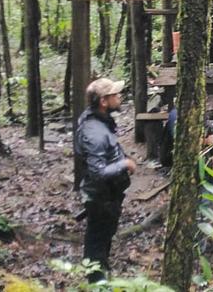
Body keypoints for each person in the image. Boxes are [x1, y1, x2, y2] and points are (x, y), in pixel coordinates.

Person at [75, 78, 137, 283]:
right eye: (115, 94)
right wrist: (124, 165)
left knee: (102, 241)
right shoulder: (94, 132)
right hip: (101, 199)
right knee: (96, 245)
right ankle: (97, 283)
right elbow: (98, 172)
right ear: (103, 101)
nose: (119, 97)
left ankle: (101, 278)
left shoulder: (100, 121)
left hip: (108, 197)